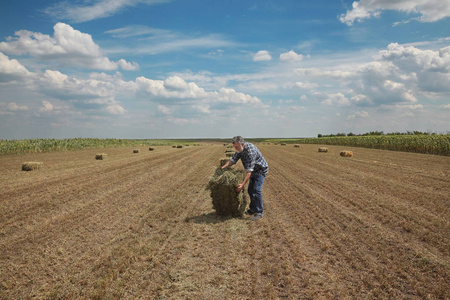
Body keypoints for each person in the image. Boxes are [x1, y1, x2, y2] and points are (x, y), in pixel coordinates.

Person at [221, 136, 268, 221]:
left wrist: (242, 185)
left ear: (242, 144)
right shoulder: (239, 149)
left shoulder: (250, 151)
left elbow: (249, 172)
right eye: (234, 147)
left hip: (260, 170)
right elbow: (233, 160)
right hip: (253, 170)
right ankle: (252, 209)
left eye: (237, 147)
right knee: (250, 190)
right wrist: (222, 168)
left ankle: (259, 212)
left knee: (256, 190)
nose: (236, 149)